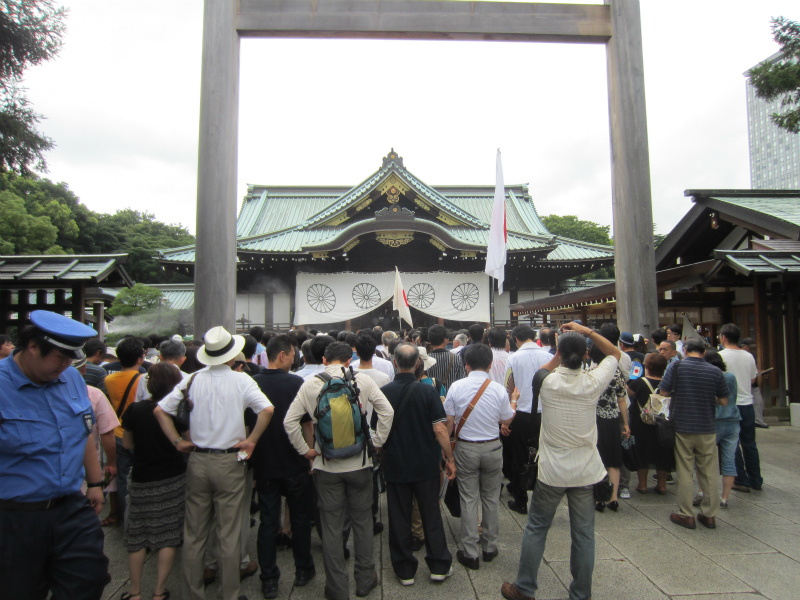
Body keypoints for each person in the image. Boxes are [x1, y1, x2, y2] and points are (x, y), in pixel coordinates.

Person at [502, 323, 621, 600]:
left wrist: (561, 345)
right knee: (583, 535)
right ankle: (581, 593)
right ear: (587, 354)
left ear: (559, 353)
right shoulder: (593, 381)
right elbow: (615, 353)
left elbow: (546, 367)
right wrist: (586, 333)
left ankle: (525, 587)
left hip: (552, 469)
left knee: (536, 528)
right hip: (586, 470)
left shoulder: (547, 381)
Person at [155, 325, 274, 600]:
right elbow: (266, 409)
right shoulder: (241, 380)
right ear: (232, 356)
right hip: (229, 461)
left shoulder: (192, 379)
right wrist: (252, 440)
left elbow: (160, 410)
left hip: (197, 460)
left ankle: (193, 594)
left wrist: (177, 441)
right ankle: (228, 594)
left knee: (194, 534)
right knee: (228, 533)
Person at [0, 311, 110, 600]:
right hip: (15, 516)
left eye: (70, 359)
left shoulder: (70, 378)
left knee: (90, 578)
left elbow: (82, 429)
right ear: (33, 347)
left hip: (70, 508)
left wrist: (95, 482)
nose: (65, 366)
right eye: (60, 358)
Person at [284, 341, 394, 600]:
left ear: (324, 360)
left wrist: (306, 450)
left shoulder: (310, 384)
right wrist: (376, 442)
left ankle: (336, 588)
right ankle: (365, 579)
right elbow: (387, 411)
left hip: (326, 465)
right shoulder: (362, 381)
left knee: (332, 528)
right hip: (360, 464)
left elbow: (289, 422)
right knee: (363, 522)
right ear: (349, 360)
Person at [381, 343, 456, 585]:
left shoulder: (383, 392)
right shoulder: (427, 392)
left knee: (399, 515)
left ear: (395, 363)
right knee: (431, 515)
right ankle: (438, 565)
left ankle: (404, 569)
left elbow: (377, 435)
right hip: (425, 464)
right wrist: (449, 458)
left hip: (395, 464)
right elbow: (440, 429)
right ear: (417, 365)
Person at [251, 335, 316, 599]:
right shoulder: (295, 383)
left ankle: (269, 579)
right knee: (300, 519)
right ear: (282, 356)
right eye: (292, 354)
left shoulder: (253, 383)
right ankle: (303, 569)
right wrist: (309, 454)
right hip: (294, 461)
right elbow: (306, 423)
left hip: (265, 463)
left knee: (268, 522)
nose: (294, 358)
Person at [121, 363, 188, 600]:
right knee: (169, 534)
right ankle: (159, 591)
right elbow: (188, 440)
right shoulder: (178, 410)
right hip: (173, 476)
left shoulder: (135, 409)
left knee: (137, 535)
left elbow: (127, 444)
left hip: (142, 476)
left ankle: (135, 591)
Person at [446, 343, 515, 570]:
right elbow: (506, 419)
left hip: (466, 448)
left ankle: (470, 551)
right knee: (491, 498)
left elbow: (448, 424)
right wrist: (514, 400)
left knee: (468, 499)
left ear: (466, 364)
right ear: (490, 364)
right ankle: (490, 547)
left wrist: (448, 454)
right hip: (492, 447)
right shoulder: (497, 389)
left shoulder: (456, 387)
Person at [659, 339, 729, 530]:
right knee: (708, 472)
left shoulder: (677, 367)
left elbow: (663, 391)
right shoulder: (715, 371)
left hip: (682, 425)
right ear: (704, 351)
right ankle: (709, 515)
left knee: (684, 470)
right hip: (706, 426)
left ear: (686, 350)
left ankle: (686, 514)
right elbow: (724, 400)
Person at [504, 325, 552, 514]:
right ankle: (543, 501)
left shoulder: (513, 358)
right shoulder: (548, 357)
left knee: (519, 456)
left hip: (521, 413)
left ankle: (520, 499)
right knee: (544, 456)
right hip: (545, 412)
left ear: (516, 339)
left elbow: (509, 387)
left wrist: (506, 417)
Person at [103, 336, 146, 528]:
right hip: (139, 434)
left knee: (122, 479)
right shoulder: (144, 379)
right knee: (142, 477)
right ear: (139, 359)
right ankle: (142, 519)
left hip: (119, 432)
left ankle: (125, 519)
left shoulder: (109, 379)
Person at [588, 327, 630, 512]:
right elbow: (622, 399)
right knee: (613, 459)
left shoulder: (590, 373)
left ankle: (599, 497)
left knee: (598, 458)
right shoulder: (616, 374)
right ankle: (613, 498)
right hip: (612, 419)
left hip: (594, 420)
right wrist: (626, 423)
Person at [718, 324, 763, 493]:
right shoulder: (748, 356)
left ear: (723, 337)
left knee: (731, 443)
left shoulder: (720, 356)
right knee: (750, 443)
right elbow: (753, 379)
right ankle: (756, 479)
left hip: (730, 404)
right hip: (747, 403)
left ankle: (740, 479)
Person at [694, 349, 740, 508]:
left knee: (703, 458)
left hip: (712, 421)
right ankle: (724, 498)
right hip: (733, 421)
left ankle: (702, 490)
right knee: (729, 460)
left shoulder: (709, 376)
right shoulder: (731, 377)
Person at [626, 352, 674, 493]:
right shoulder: (667, 383)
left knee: (642, 452)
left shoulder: (639, 382)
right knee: (663, 452)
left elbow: (627, 394)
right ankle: (662, 485)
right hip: (663, 423)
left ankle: (642, 484)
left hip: (642, 423)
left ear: (647, 366)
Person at [73, 357, 119, 493]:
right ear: (83, 370)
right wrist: (111, 463)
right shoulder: (94, 394)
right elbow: (107, 433)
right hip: (87, 471)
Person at [426, 324, 466, 390]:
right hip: (451, 397)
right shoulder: (456, 358)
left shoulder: (425, 360)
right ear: (445, 340)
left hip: (431, 398)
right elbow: (461, 381)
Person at [740, 338, 769, 428]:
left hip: (753, 383)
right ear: (743, 346)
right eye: (750, 347)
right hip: (744, 383)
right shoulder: (740, 356)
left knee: (758, 402)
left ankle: (759, 420)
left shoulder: (751, 355)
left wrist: (761, 372)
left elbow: (754, 368)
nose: (751, 349)